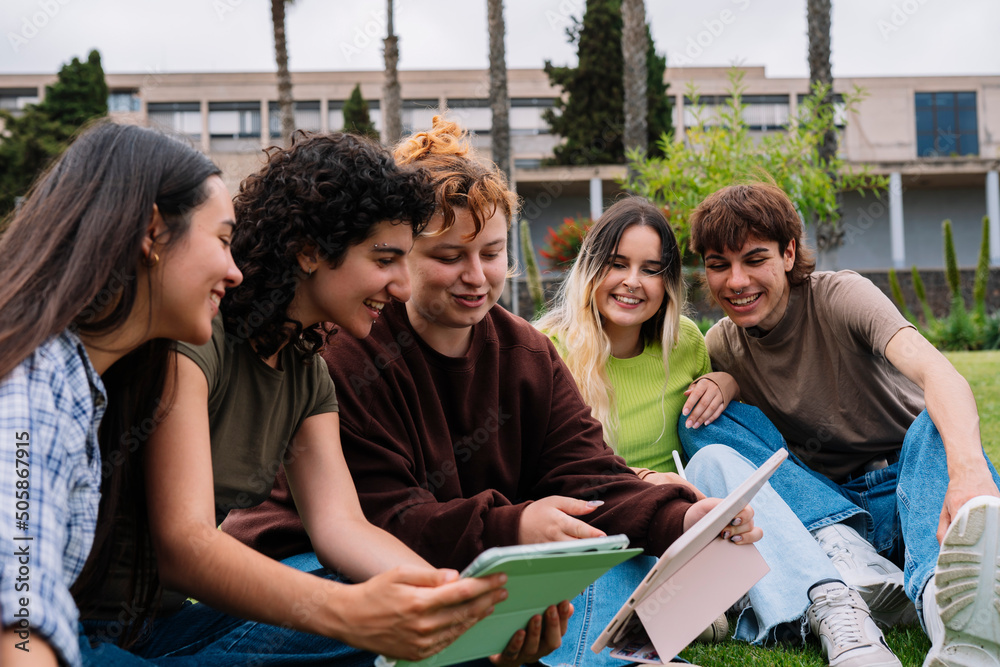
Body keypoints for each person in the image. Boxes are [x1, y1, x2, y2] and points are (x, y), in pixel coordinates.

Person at [222, 117, 762, 667]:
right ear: (404, 252)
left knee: (612, 557)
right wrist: (514, 528)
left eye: (492, 253)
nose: (476, 277)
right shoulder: (344, 347)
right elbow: (385, 520)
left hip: (463, 561)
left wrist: (683, 519)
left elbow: (589, 473)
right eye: (449, 257)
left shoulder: (526, 351)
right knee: (459, 599)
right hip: (315, 562)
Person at [80, 131, 532, 666]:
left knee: (374, 599)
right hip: (80, 630)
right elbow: (185, 547)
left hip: (170, 626)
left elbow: (342, 526)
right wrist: (356, 613)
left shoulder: (307, 371)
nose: (402, 287)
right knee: (361, 617)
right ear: (311, 251)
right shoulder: (197, 339)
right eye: (384, 259)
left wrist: (447, 599)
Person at [536, 195, 905, 667]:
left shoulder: (686, 344)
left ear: (667, 283)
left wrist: (727, 379)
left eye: (650, 269)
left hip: (683, 526)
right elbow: (550, 470)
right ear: (590, 268)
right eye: (617, 264)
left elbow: (729, 425)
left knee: (711, 456)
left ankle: (832, 603)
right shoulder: (546, 349)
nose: (632, 282)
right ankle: (720, 603)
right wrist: (646, 483)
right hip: (603, 527)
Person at [681, 181, 1000, 667]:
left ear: (789, 253)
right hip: (827, 515)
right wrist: (724, 380)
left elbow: (940, 373)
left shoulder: (841, 295)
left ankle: (949, 617)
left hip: (909, 493)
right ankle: (845, 551)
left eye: (755, 259)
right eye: (718, 265)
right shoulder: (724, 343)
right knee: (699, 421)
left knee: (932, 426)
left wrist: (969, 473)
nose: (736, 281)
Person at [0, 121, 243, 667]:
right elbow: (15, 619)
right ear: (152, 232)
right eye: (224, 241)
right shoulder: (33, 385)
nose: (235, 272)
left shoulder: (81, 375)